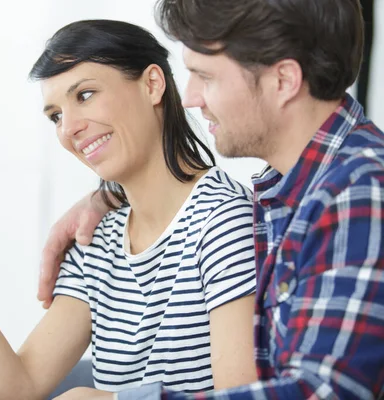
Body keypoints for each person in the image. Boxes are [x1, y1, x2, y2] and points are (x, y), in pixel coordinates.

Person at [0, 19, 259, 400]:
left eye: (85, 94)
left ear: (152, 84)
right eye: (55, 116)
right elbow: (14, 389)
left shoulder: (224, 222)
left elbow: (243, 397)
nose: (69, 128)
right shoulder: (97, 240)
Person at [39, 1, 384, 399]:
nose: (190, 98)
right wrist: (109, 194)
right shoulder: (290, 192)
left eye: (206, 77)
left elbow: (323, 393)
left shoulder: (359, 190)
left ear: (283, 80)